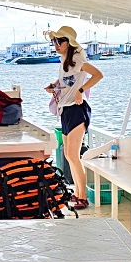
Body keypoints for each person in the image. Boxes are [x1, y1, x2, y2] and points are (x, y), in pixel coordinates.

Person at [44, 26, 103, 211]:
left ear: (68, 42)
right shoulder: (64, 61)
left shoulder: (78, 59)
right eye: (53, 41)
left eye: (59, 41)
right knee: (69, 155)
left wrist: (80, 91)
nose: (56, 45)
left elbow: (98, 75)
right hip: (66, 110)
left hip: (78, 110)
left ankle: (82, 197)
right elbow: (65, 82)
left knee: (73, 155)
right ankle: (77, 194)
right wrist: (54, 86)